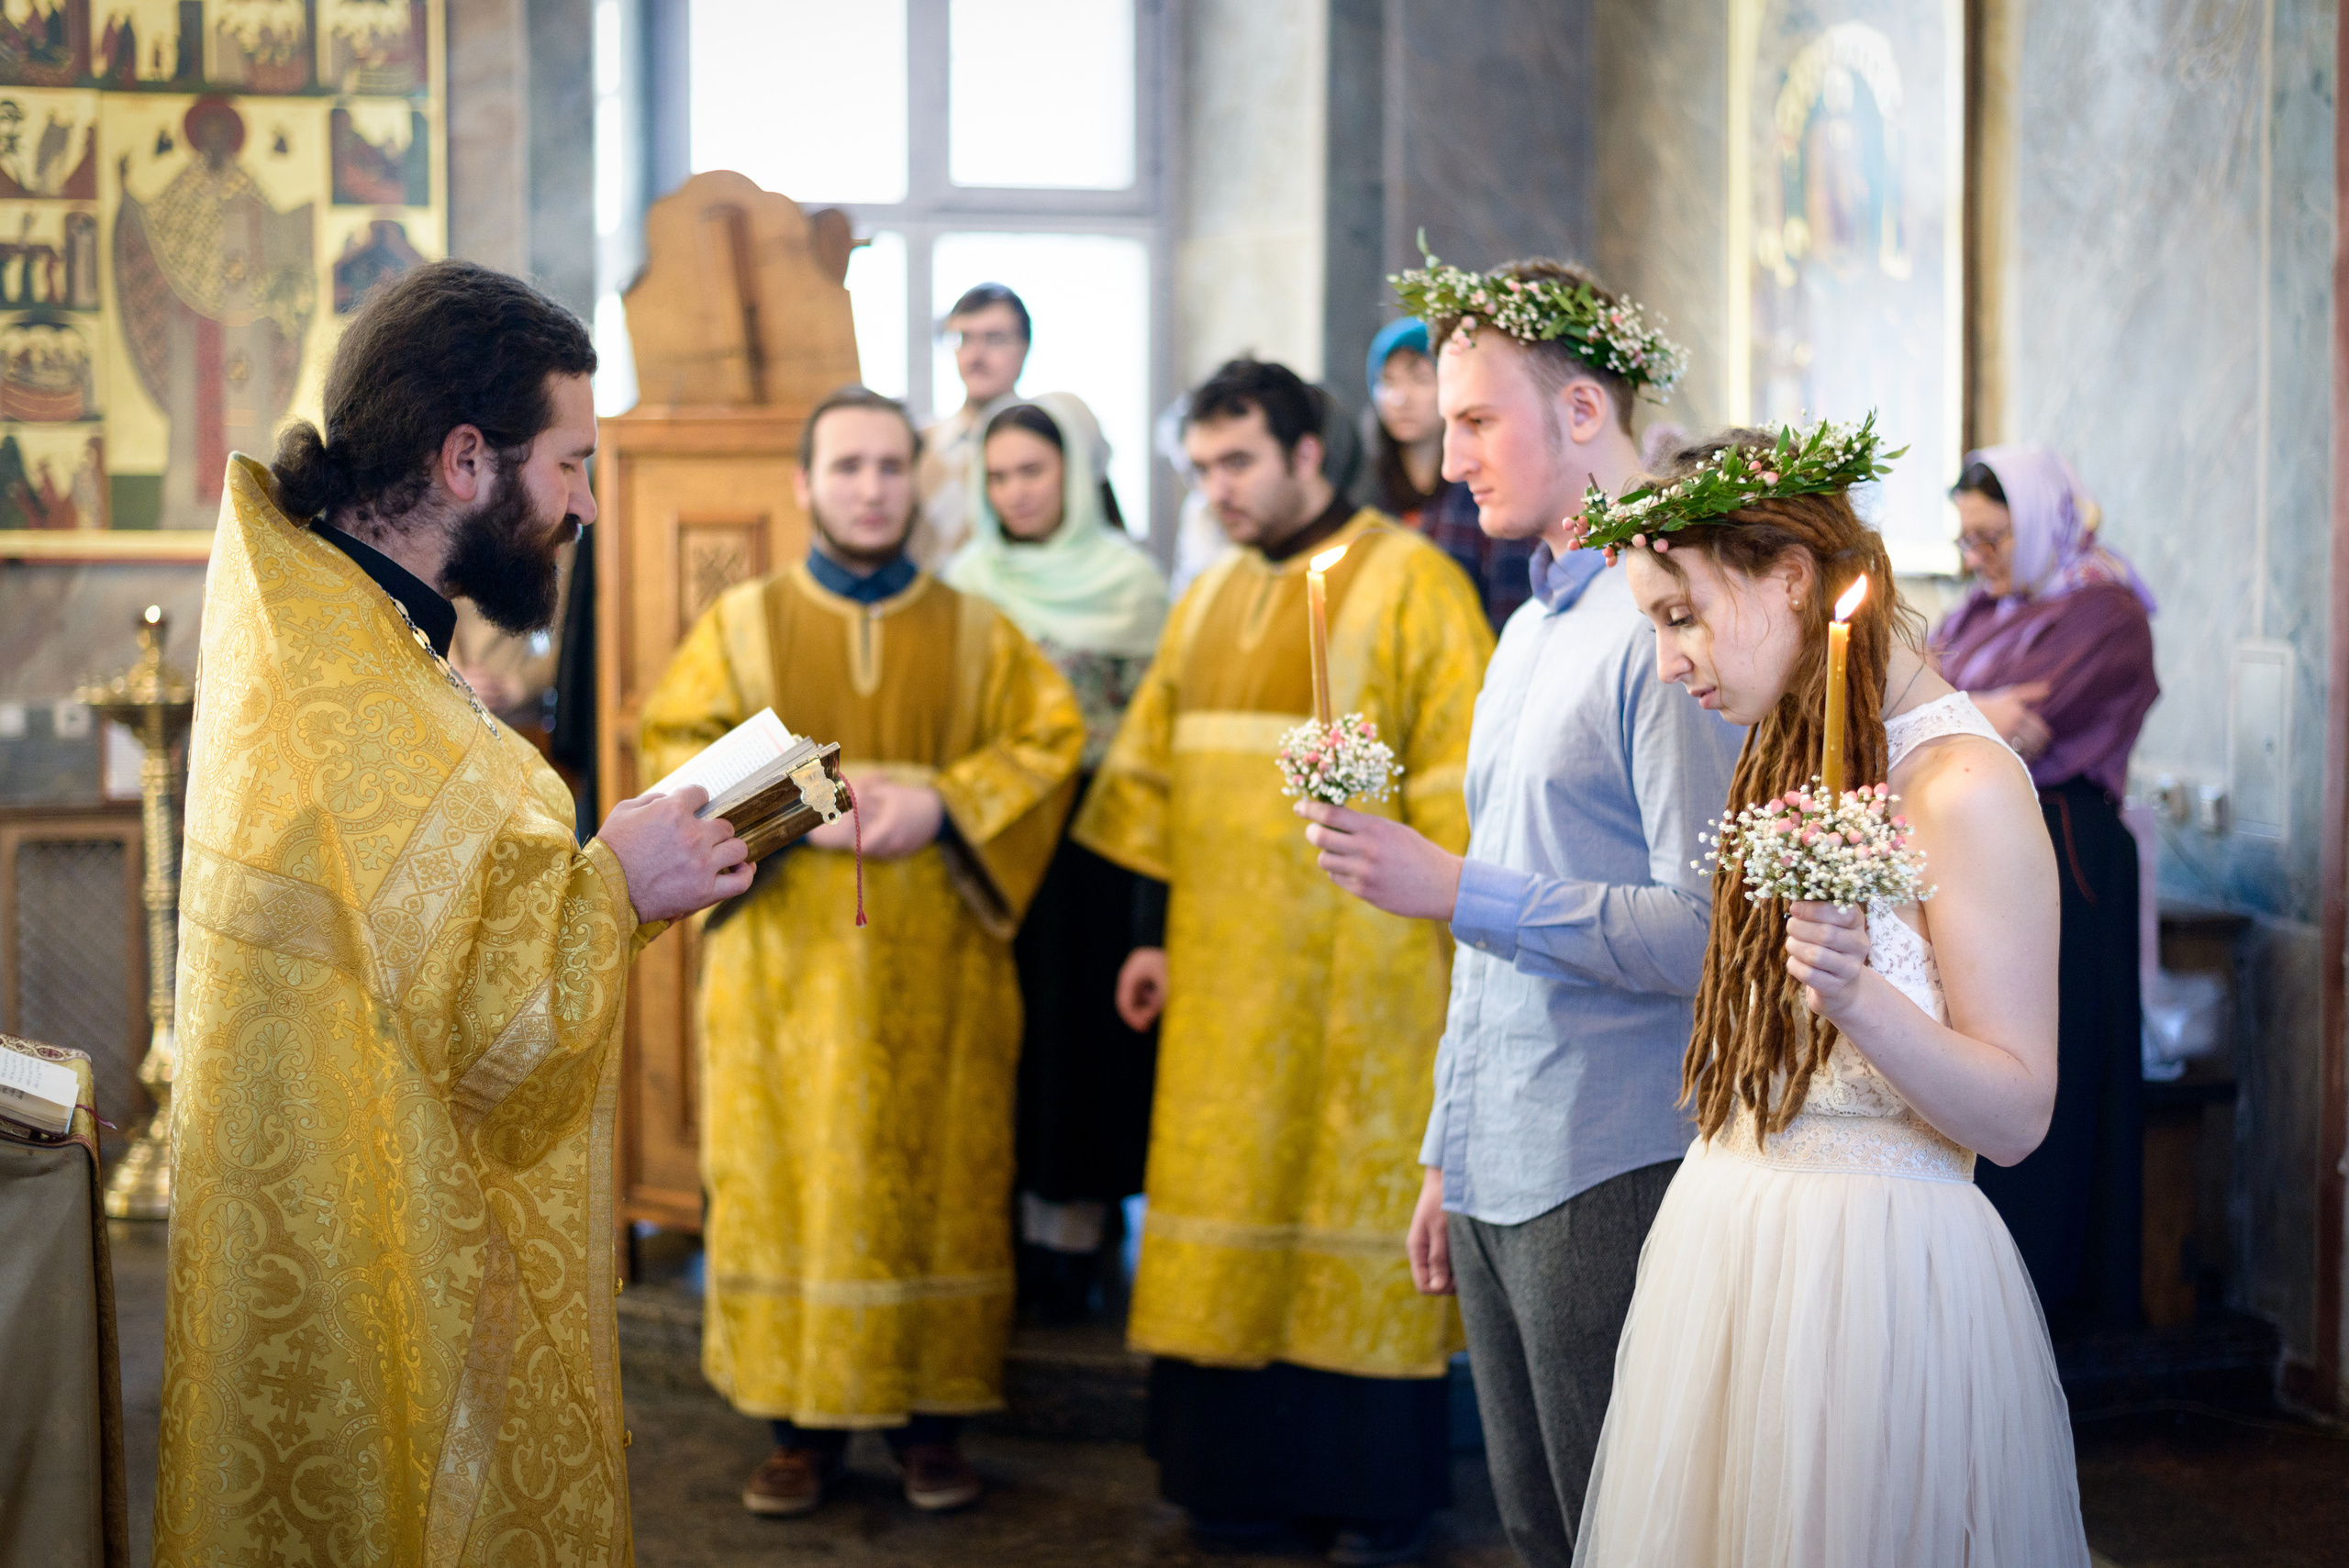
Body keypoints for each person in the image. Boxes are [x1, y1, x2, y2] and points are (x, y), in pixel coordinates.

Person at [161, 261, 752, 1564]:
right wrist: (616, 886)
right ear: (468, 459)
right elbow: (484, 1039)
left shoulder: (331, 633)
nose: (589, 505)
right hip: (367, 1267)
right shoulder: (360, 695)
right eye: (574, 465)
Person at [1575, 421, 2089, 1565]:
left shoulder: (1961, 785)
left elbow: (2017, 1116)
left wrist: (1862, 998)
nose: (1670, 661)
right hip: (1730, 1249)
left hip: (1878, 1288)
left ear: (1792, 579)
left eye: (1682, 613)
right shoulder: (1788, 752)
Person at [1299, 257, 1742, 1565]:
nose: (1451, 460)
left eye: (1479, 421)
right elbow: (1495, 937)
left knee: (1622, 1524)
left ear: (1585, 415)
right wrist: (1449, 1146)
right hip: (1502, 1146)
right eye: (1446, 427)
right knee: (1535, 1523)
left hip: (1610, 1148)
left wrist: (1454, 889)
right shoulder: (1528, 632)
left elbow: (1707, 932)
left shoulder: (1662, 633)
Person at [1074, 358, 1495, 1566]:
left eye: (1240, 462)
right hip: (1219, 978)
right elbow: (1152, 779)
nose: (1220, 489)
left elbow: (1468, 782)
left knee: (1347, 1207)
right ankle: (1234, 1485)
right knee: (1228, 1208)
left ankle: (1372, 1495)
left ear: (1310, 453)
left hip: (1368, 983)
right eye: (1202, 468)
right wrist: (1151, 935)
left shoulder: (1417, 583)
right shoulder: (1204, 600)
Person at [637, 385, 1085, 1518]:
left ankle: (934, 1423)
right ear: (804, 485)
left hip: (941, 975)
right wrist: (806, 798)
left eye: (890, 466)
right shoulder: (741, 622)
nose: (871, 487)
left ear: (916, 480)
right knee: (791, 1184)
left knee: (940, 1178)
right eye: (847, 467)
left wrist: (941, 806)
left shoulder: (978, 625)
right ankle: (799, 1429)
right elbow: (676, 745)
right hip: (785, 976)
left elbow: (1047, 740)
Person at [942, 393, 1170, 1319]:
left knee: (1080, 1043)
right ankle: (1003, 1229)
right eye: (998, 476)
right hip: (992, 838)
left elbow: (1152, 732)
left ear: (1074, 475)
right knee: (1009, 1034)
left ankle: (1077, 1236)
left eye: (1033, 471)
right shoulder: (964, 579)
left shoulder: (1131, 583)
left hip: (1094, 844)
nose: (1016, 492)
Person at [1936, 447, 2158, 1333]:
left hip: (2071, 856)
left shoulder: (2107, 611)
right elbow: (1916, 702)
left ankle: (2056, 1300)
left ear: (2038, 523)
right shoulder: (1982, 610)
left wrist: (1965, 703)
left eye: (1992, 536)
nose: (1977, 558)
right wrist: (1980, 705)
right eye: (1967, 539)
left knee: (2055, 1069)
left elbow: (2035, 717)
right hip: (1986, 845)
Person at [1363, 315, 1536, 629]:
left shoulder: (1482, 487)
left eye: (1420, 379)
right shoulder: (1367, 489)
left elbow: (1509, 604)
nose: (1400, 398)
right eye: (1387, 382)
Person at [915, 282, 1030, 565]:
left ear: (1024, 348)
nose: (975, 356)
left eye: (994, 339)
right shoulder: (918, 444)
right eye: (963, 338)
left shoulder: (1048, 447)